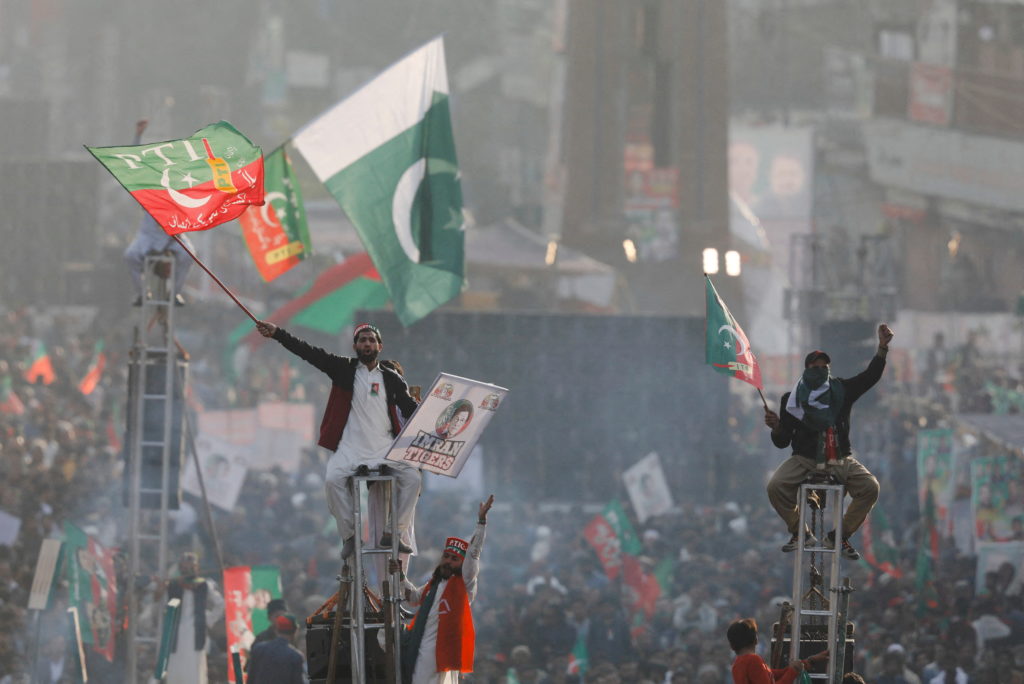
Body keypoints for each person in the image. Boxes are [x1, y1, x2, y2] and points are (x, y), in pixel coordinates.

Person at [255, 320, 420, 559]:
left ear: (380, 346)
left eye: (371, 340)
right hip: (350, 448)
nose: (367, 343)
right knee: (333, 480)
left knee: (413, 478)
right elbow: (308, 351)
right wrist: (278, 334)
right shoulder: (343, 368)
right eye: (362, 340)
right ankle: (350, 536)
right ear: (355, 346)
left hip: (384, 448)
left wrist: (437, 417)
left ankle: (394, 531)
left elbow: (411, 408)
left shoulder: (392, 378)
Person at [763, 324, 893, 560]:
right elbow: (783, 441)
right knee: (775, 486)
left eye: (825, 367)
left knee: (870, 488)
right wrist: (777, 427)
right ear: (806, 370)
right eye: (816, 367)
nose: (821, 370)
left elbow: (869, 377)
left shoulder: (841, 390)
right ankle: (800, 532)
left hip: (839, 457)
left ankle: (839, 536)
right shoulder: (791, 401)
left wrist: (882, 349)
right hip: (804, 459)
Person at [396, 494, 493, 684]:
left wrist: (481, 523)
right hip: (421, 644)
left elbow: (473, 554)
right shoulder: (435, 583)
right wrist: (400, 576)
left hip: (441, 650)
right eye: (446, 556)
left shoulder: (464, 583)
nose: (448, 561)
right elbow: (413, 598)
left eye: (454, 559)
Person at [123, 119, 194, 307]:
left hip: (173, 235)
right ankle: (141, 293)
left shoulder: (180, 185)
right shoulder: (149, 184)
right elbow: (135, 162)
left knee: (189, 255)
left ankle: (175, 294)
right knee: (130, 256)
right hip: (148, 235)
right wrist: (138, 136)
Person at [164, 551, 224, 684]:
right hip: (176, 633)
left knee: (194, 669)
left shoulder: (204, 584)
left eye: (190, 567)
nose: (187, 570)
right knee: (175, 668)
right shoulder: (173, 584)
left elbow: (220, 604)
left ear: (197, 568)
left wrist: (207, 620)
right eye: (184, 567)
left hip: (195, 632)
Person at [727, 617, 824, 684]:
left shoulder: (737, 665)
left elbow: (774, 674)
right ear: (756, 640)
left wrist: (808, 662)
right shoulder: (753, 660)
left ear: (731, 646)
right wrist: (793, 671)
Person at [247, 613, 304, 684]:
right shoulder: (295, 657)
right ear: (295, 631)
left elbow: (251, 678)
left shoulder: (259, 649)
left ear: (276, 630)